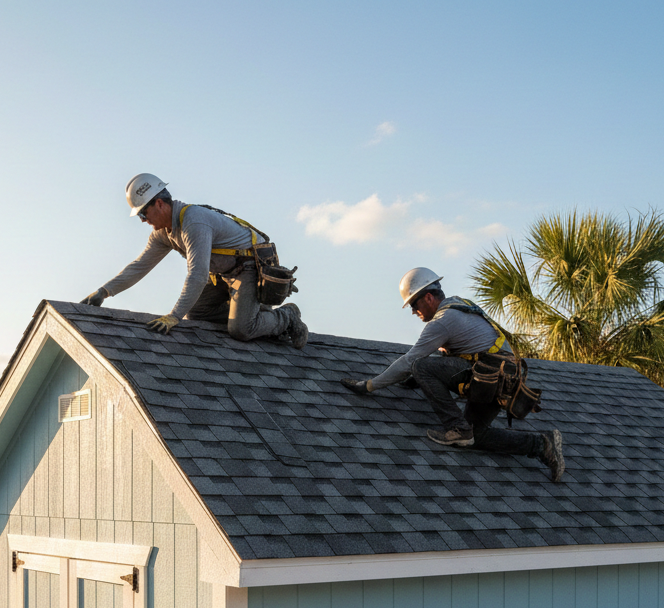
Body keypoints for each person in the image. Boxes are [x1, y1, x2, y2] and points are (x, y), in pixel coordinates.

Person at [341, 267, 565, 482]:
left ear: (429, 298)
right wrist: (416, 380)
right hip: (501, 379)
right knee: (476, 437)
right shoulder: (461, 304)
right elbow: (464, 353)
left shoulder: (442, 321)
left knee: (420, 366)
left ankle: (457, 428)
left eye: (414, 304)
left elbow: (410, 361)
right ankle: (542, 445)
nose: (413, 312)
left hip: (489, 376)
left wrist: (369, 385)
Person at [79, 174, 308, 348]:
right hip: (222, 274)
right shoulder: (163, 233)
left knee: (241, 329)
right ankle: (254, 312)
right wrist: (104, 291)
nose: (142, 220)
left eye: (142, 213)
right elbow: (140, 266)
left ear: (159, 204)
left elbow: (197, 274)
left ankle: (285, 317)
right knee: (197, 314)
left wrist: (174, 316)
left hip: (248, 268)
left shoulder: (193, 222)